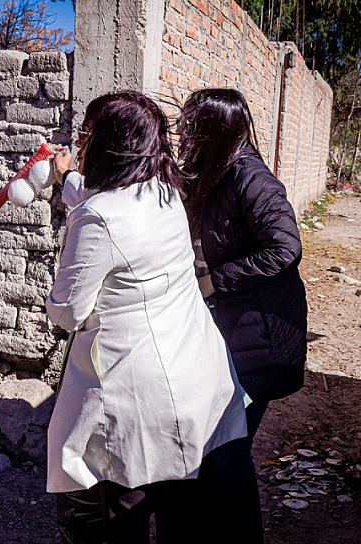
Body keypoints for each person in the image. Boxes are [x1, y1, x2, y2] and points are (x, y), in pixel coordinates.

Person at [47, 91, 262, 543]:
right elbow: (103, 201)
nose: (80, 143)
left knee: (117, 511)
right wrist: (66, 179)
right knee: (184, 515)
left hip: (138, 396)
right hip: (196, 378)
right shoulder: (164, 192)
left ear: (105, 143)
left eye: (85, 134)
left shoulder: (97, 219)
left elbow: (67, 311)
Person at [178, 88, 307, 446]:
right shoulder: (217, 172)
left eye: (191, 126)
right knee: (221, 444)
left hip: (260, 335)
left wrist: (215, 281)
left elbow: (285, 248)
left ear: (213, 130)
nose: (183, 134)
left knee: (230, 447)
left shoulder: (251, 178)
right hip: (236, 330)